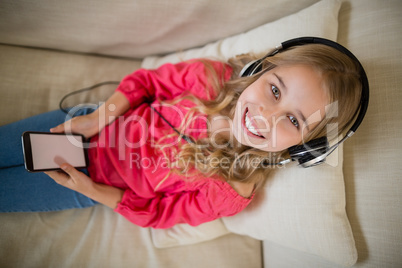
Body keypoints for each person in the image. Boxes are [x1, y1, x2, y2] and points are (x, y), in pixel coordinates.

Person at [0, 43, 362, 229]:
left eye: (294, 121)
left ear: (303, 147)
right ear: (260, 70)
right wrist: (100, 117)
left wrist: (90, 190)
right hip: (89, 125)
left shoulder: (233, 188)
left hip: (88, 181)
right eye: (275, 91)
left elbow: (159, 214)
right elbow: (147, 82)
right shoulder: (209, 79)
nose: (266, 116)